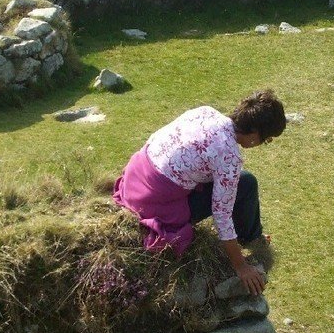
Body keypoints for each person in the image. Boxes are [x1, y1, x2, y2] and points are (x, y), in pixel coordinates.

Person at [112, 90, 286, 296]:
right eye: (266, 139)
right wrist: (240, 266)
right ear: (255, 134)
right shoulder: (229, 156)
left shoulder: (205, 112)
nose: (262, 144)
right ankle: (252, 238)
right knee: (246, 183)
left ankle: (250, 234)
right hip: (154, 202)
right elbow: (221, 215)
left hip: (136, 177)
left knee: (234, 182)